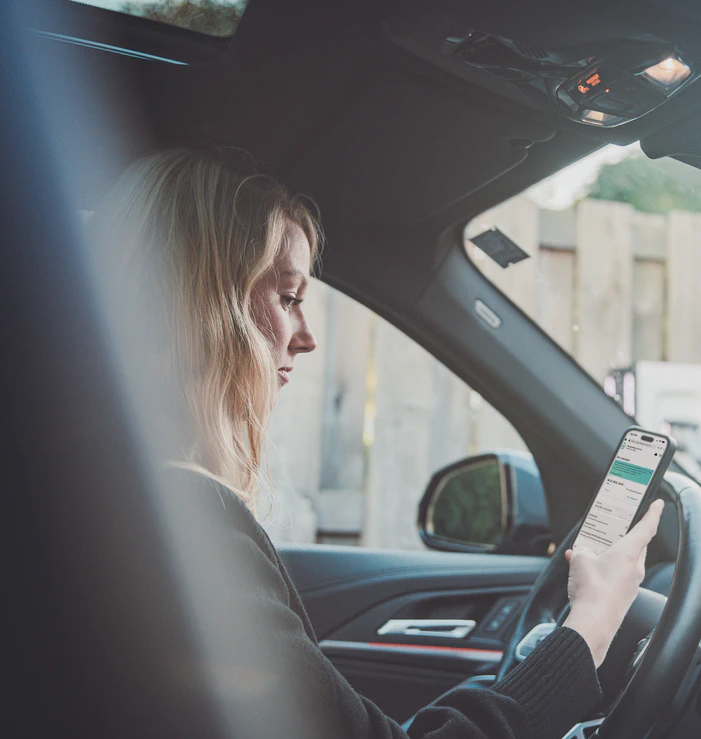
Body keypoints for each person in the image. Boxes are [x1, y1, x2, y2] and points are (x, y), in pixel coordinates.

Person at [92, 147, 665, 739]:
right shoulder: (187, 531)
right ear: (195, 302)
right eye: (288, 298)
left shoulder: (114, 506)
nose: (307, 337)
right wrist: (591, 627)